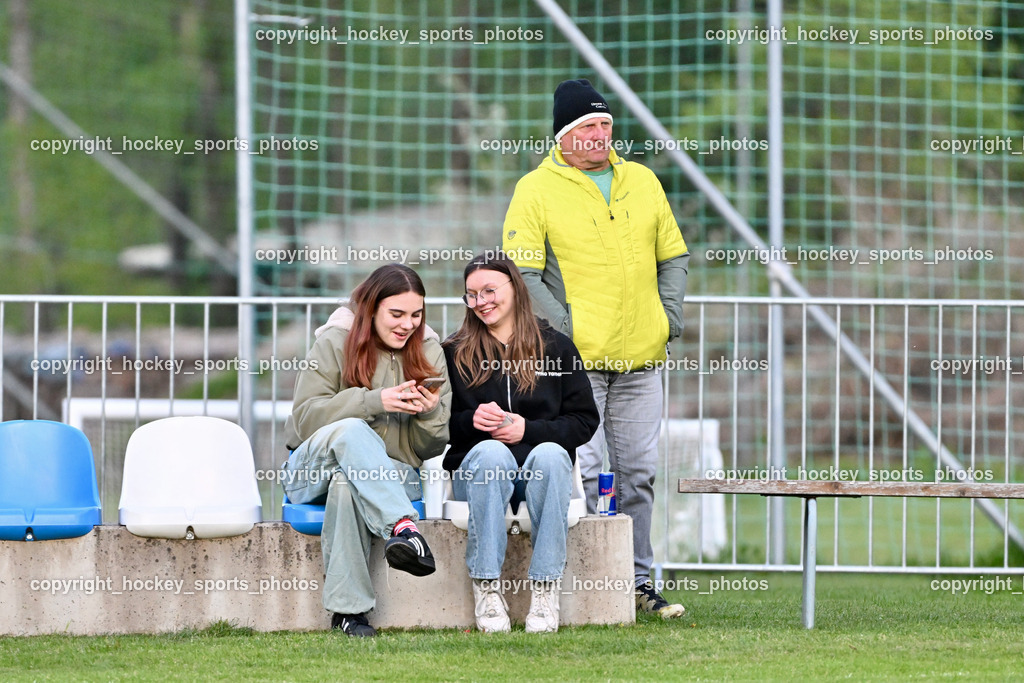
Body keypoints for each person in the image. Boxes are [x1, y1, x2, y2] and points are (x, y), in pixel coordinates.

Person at [502, 78, 690, 618]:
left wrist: (668, 319)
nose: (599, 134)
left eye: (605, 124)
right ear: (562, 135)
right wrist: (563, 335)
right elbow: (522, 273)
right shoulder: (534, 190)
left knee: (638, 478)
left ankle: (636, 585)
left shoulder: (643, 181)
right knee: (578, 477)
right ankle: (580, 587)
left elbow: (673, 256)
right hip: (574, 368)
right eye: (587, 126)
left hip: (641, 362)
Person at [280, 264, 451, 637]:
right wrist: (375, 401)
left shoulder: (429, 351)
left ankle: (349, 615)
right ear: (371, 309)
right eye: (397, 314)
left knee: (348, 483)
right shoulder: (333, 341)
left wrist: (429, 413)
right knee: (353, 431)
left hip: (392, 476)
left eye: (416, 315)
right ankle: (403, 527)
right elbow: (305, 420)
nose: (408, 324)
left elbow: (430, 447)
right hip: (311, 472)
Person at [442, 252, 599, 633]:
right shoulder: (453, 351)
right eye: (471, 295)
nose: (481, 302)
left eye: (489, 290)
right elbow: (434, 426)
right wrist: (469, 421)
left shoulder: (557, 348)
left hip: (541, 475)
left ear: (515, 287)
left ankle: (545, 591)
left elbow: (584, 421)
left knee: (551, 455)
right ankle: (486, 587)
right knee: (492, 453)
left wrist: (528, 430)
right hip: (478, 474)